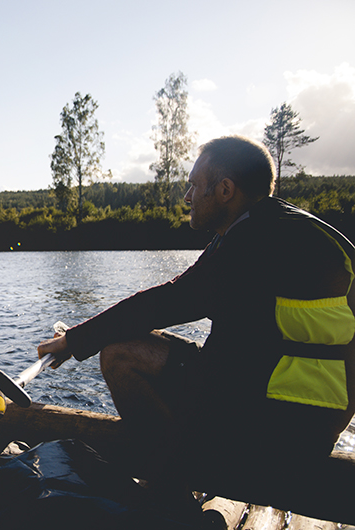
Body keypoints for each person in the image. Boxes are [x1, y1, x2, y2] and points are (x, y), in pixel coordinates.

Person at [37, 135, 355, 498]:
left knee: (120, 354)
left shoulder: (252, 242)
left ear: (224, 190)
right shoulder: (312, 233)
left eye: (193, 186)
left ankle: (169, 488)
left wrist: (74, 342)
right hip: (316, 427)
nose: (187, 197)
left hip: (272, 427)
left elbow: (167, 302)